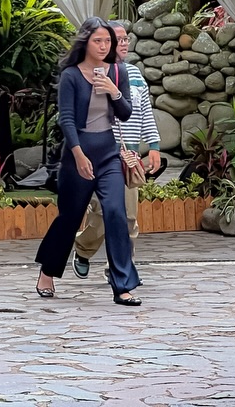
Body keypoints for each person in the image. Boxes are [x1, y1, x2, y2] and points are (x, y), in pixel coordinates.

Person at [33, 16, 143, 306]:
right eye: (98, 40)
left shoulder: (117, 72)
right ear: (85, 42)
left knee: (116, 213)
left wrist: (114, 91)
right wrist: (78, 154)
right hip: (78, 153)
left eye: (108, 41)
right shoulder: (71, 75)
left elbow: (126, 113)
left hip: (108, 152)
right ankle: (48, 272)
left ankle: (122, 285)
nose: (104, 45)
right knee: (69, 218)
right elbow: (66, 119)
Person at [73, 19, 161, 278]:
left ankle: (121, 268)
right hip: (101, 152)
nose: (122, 44)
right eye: (116, 39)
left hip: (130, 154)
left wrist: (153, 145)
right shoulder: (90, 72)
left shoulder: (133, 74)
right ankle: (83, 247)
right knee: (102, 210)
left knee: (130, 217)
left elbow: (145, 111)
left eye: (125, 39)